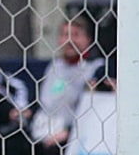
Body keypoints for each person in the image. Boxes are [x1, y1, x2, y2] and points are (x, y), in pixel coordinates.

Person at [30, 17, 104, 155]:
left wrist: (69, 131)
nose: (70, 40)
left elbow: (92, 111)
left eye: (76, 35)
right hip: (43, 131)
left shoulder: (96, 68)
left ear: (88, 39)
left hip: (76, 135)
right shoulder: (53, 67)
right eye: (65, 35)